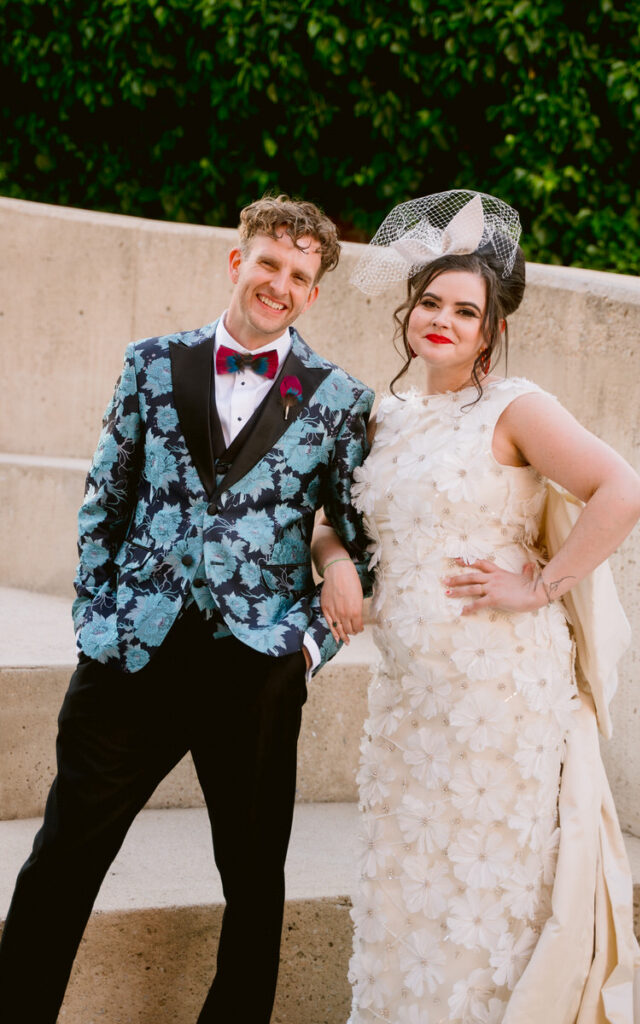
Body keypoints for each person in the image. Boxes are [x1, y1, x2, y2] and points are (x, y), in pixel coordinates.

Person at [0, 194, 374, 1023]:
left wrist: (304, 650)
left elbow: (359, 539)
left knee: (252, 879)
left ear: (314, 294)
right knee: (62, 858)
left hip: (257, 665)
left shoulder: (339, 399)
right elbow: (106, 499)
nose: (279, 283)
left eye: (299, 275)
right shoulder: (151, 362)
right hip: (134, 651)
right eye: (268, 263)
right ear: (236, 261)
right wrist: (96, 622)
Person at [313, 191, 640, 1023]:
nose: (441, 319)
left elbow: (624, 490)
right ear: (408, 309)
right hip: (412, 702)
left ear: (490, 330)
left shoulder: (515, 407)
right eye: (430, 301)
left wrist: (539, 585)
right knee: (413, 883)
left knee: (487, 887)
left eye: (464, 310)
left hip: (499, 697)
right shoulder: (382, 415)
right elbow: (331, 519)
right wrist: (334, 564)